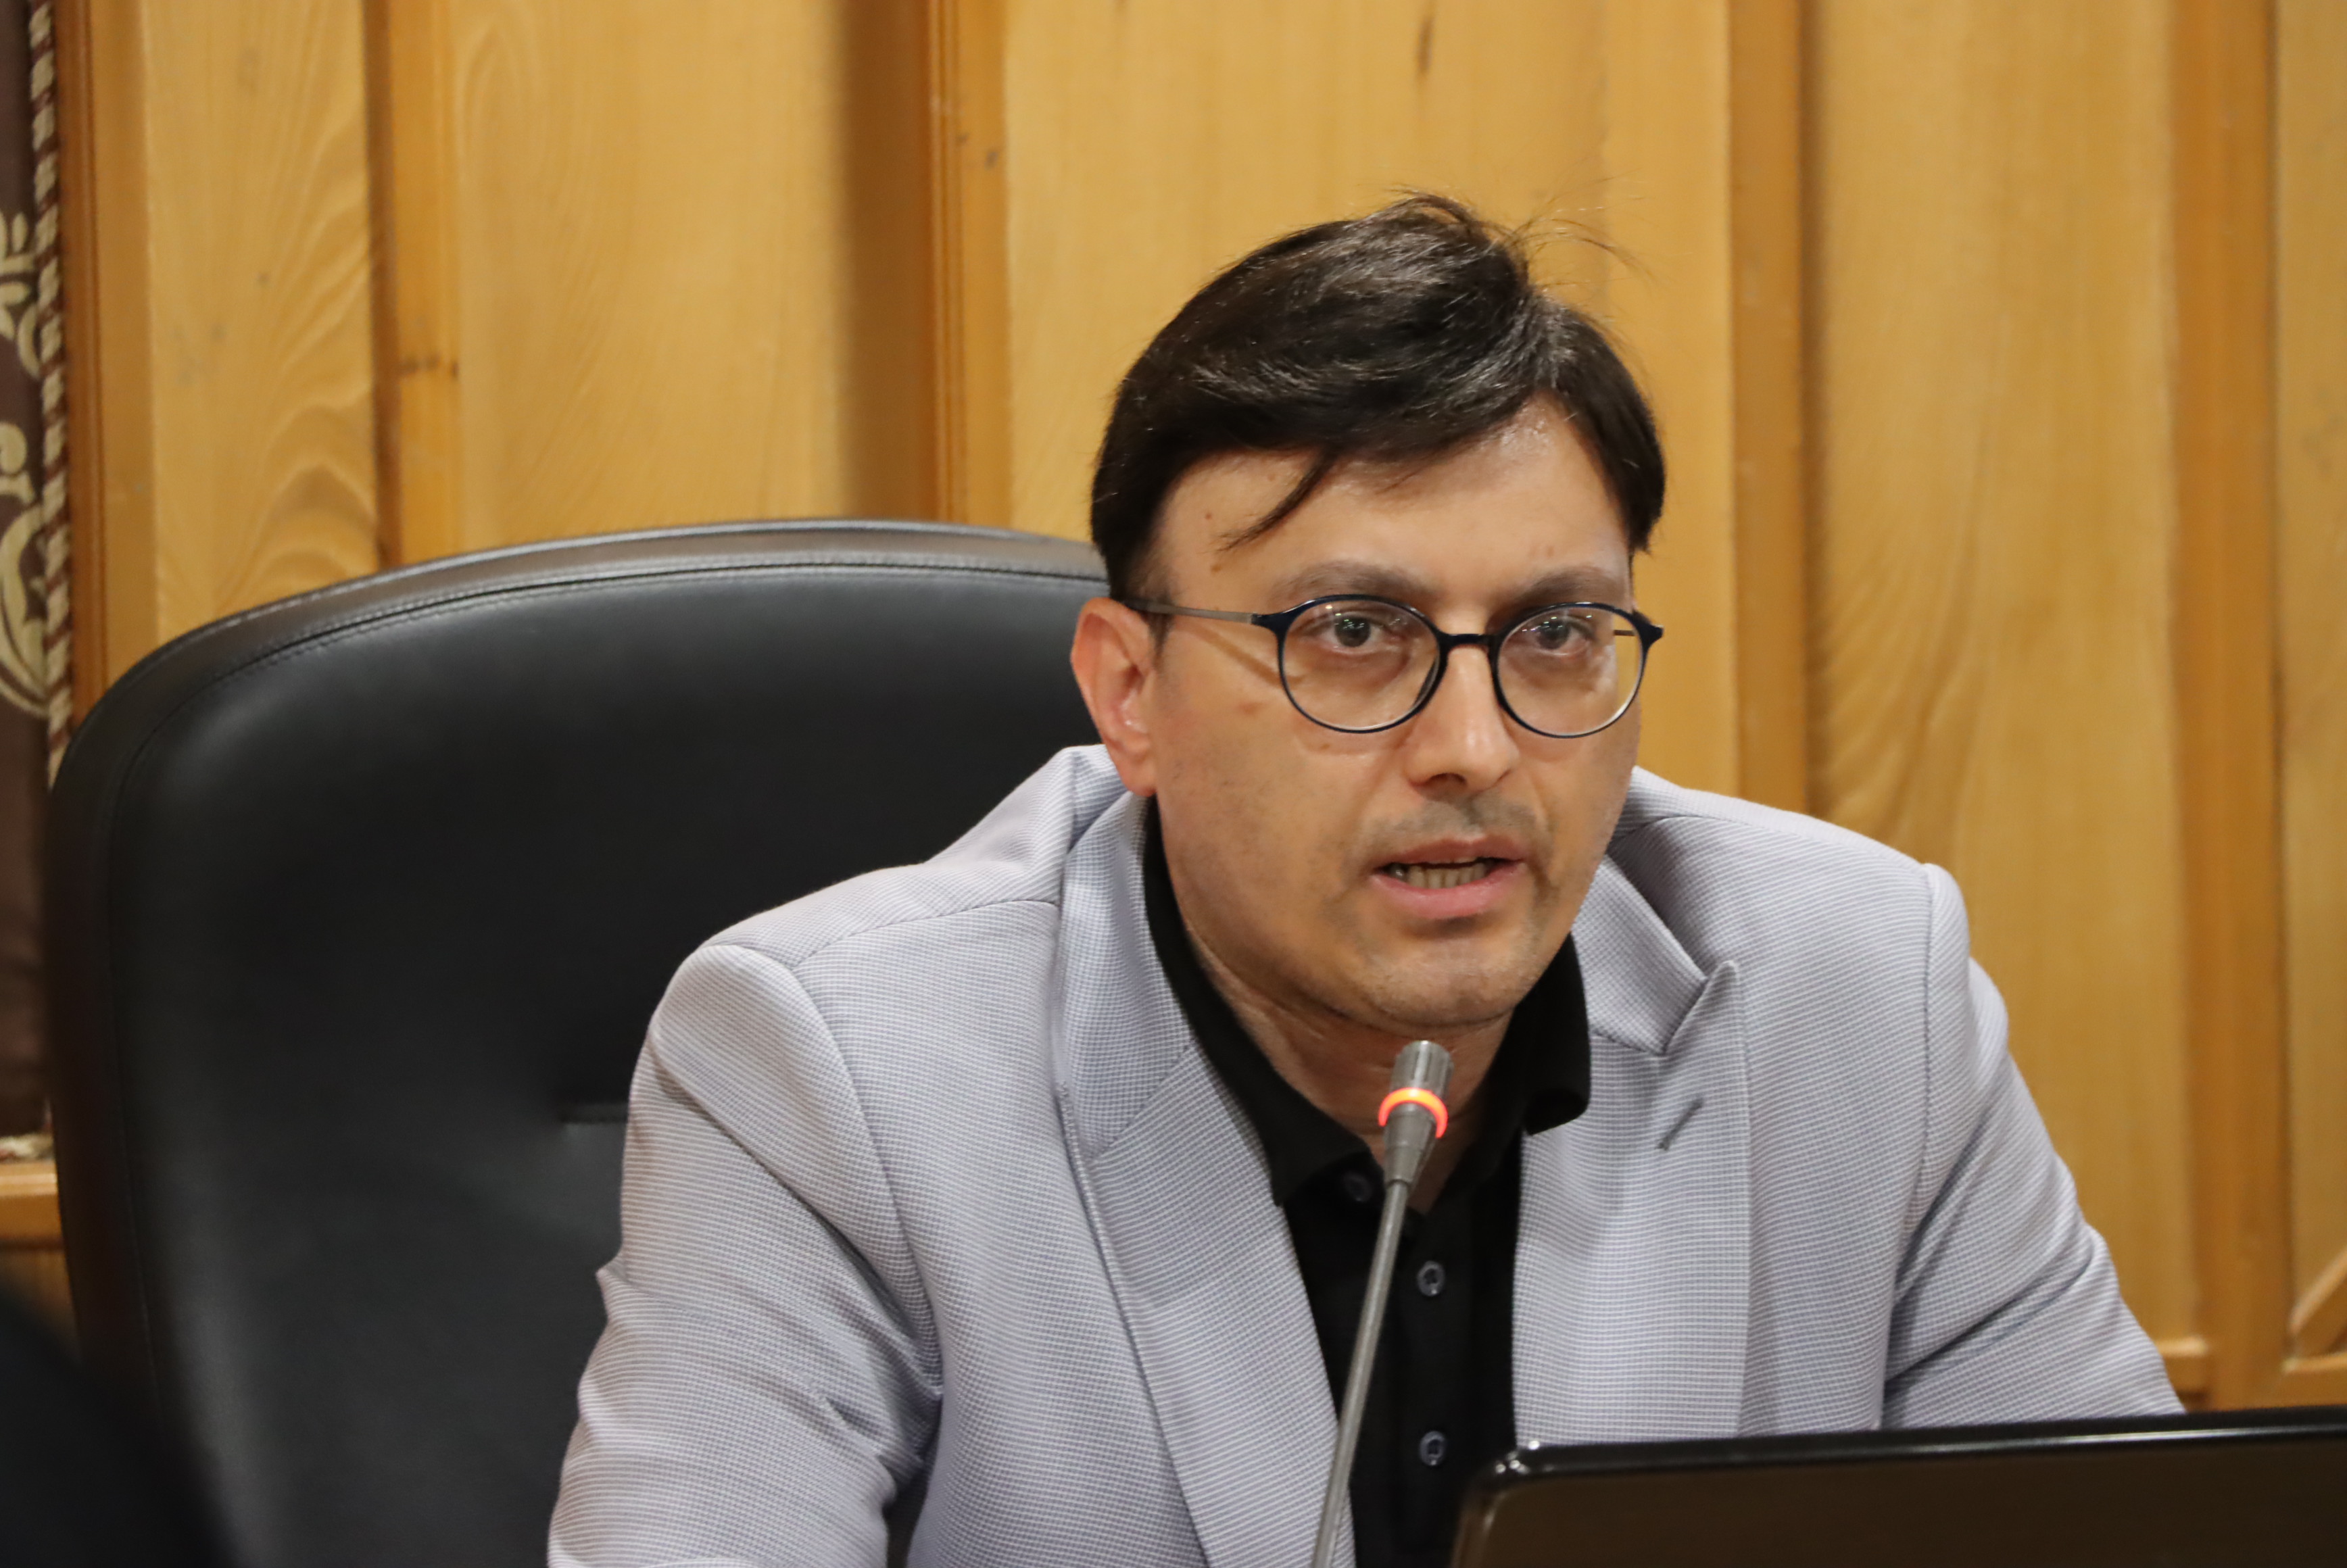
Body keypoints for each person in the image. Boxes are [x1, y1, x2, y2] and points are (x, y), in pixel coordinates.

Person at [550, 196, 2177, 1568]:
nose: (1471, 745)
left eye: (1553, 633)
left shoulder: (1859, 995)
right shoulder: (833, 1073)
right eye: (1350, 635)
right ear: (1129, 691)